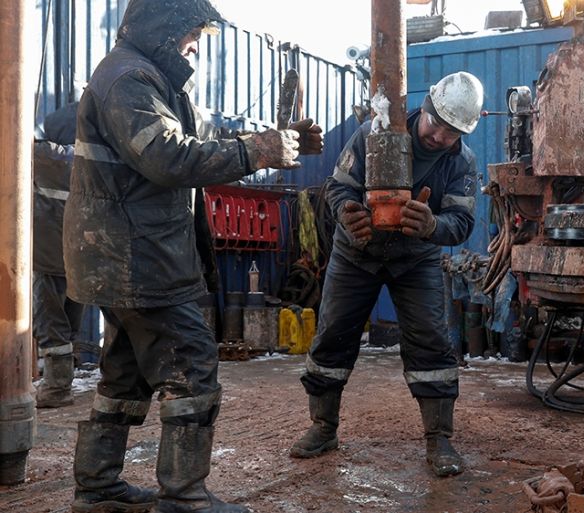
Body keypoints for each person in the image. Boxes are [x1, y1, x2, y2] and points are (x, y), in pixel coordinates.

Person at [62, 1, 322, 512]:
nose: (196, 45)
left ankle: (97, 487)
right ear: (165, 26)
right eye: (192, 32)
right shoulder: (129, 79)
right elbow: (168, 157)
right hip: (138, 257)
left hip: (131, 255)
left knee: (124, 374)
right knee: (192, 366)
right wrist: (256, 151)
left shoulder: (151, 78)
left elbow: (198, 142)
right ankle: (183, 498)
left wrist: (275, 143)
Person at [290, 71, 483, 477]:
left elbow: (462, 222)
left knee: (432, 340)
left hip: (416, 259)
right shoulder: (371, 135)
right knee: (333, 334)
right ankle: (323, 427)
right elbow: (337, 187)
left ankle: (439, 438)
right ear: (425, 106)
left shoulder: (462, 162)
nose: (439, 136)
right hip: (356, 253)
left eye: (451, 131)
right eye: (435, 122)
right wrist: (347, 214)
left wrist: (432, 225)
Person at [32, 102, 85, 408]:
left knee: (51, 324)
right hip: (82, 260)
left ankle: (56, 388)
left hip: (47, 259)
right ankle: (65, 380)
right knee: (70, 323)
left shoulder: (43, 157)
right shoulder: (92, 163)